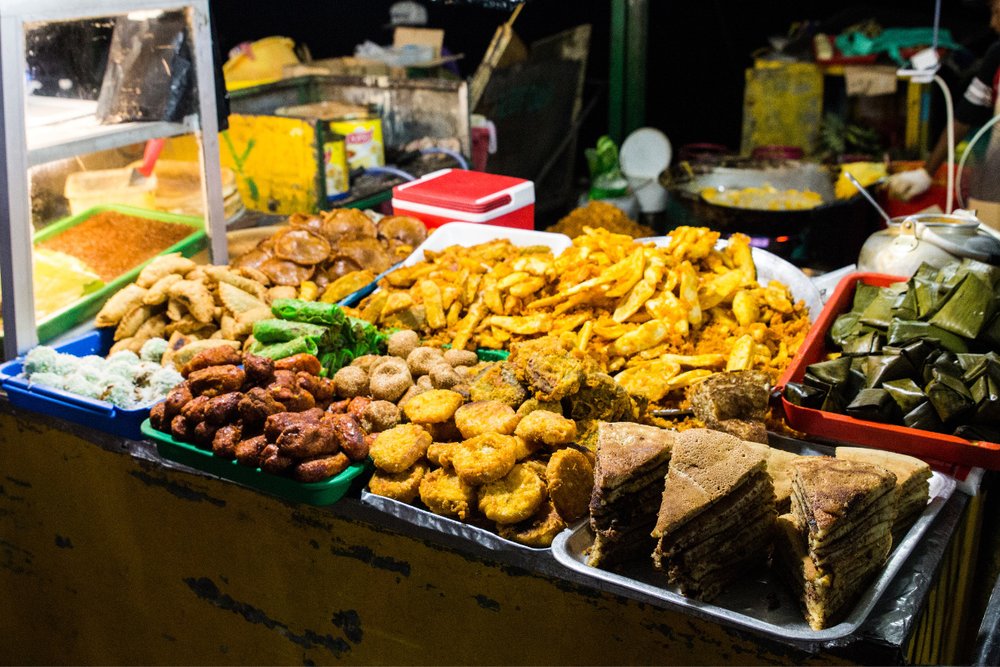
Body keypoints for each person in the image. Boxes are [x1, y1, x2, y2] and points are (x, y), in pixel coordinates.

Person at [889, 0, 1000, 200]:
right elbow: (964, 116)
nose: (993, 23)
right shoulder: (996, 57)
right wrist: (926, 173)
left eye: (997, 12)